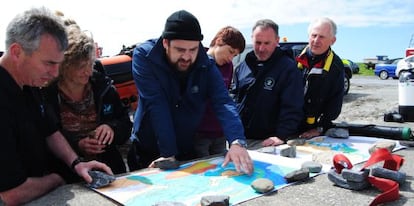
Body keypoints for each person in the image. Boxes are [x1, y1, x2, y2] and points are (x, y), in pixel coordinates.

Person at [0, 7, 112, 205]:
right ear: (17, 52)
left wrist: (77, 164)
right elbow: (11, 194)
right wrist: (58, 179)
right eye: (49, 63)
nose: (54, 73)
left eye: (58, 64)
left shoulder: (29, 81)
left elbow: (49, 130)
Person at [127, 10, 253, 175]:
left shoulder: (206, 64)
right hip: (149, 146)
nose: (187, 57)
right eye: (180, 50)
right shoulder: (145, 57)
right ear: (166, 43)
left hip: (186, 148)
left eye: (193, 50)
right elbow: (157, 104)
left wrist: (237, 142)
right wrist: (168, 154)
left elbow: (222, 101)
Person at [44, 24, 132, 183]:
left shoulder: (103, 88)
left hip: (109, 169)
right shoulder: (47, 95)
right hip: (68, 177)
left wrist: (112, 128)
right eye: (81, 67)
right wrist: (78, 145)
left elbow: (125, 124)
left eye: (90, 64)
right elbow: (45, 136)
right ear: (65, 65)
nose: (88, 72)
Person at [230, 19, 304, 148]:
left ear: (277, 41)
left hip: (269, 143)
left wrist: (281, 135)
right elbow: (233, 100)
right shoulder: (242, 67)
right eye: (257, 42)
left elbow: (293, 107)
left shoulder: (288, 69)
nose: (262, 48)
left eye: (267, 43)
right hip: (240, 139)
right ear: (251, 39)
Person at [194, 26, 246, 157]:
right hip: (200, 133)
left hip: (220, 132)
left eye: (235, 55)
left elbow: (225, 99)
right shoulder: (197, 62)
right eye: (230, 51)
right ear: (218, 41)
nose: (230, 58)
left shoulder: (229, 66)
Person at [296, 17, 344, 138]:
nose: (316, 40)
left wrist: (320, 128)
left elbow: (335, 103)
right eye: (314, 35)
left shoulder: (336, 66)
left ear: (332, 41)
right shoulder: (293, 55)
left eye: (321, 37)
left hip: (310, 128)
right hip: (285, 123)